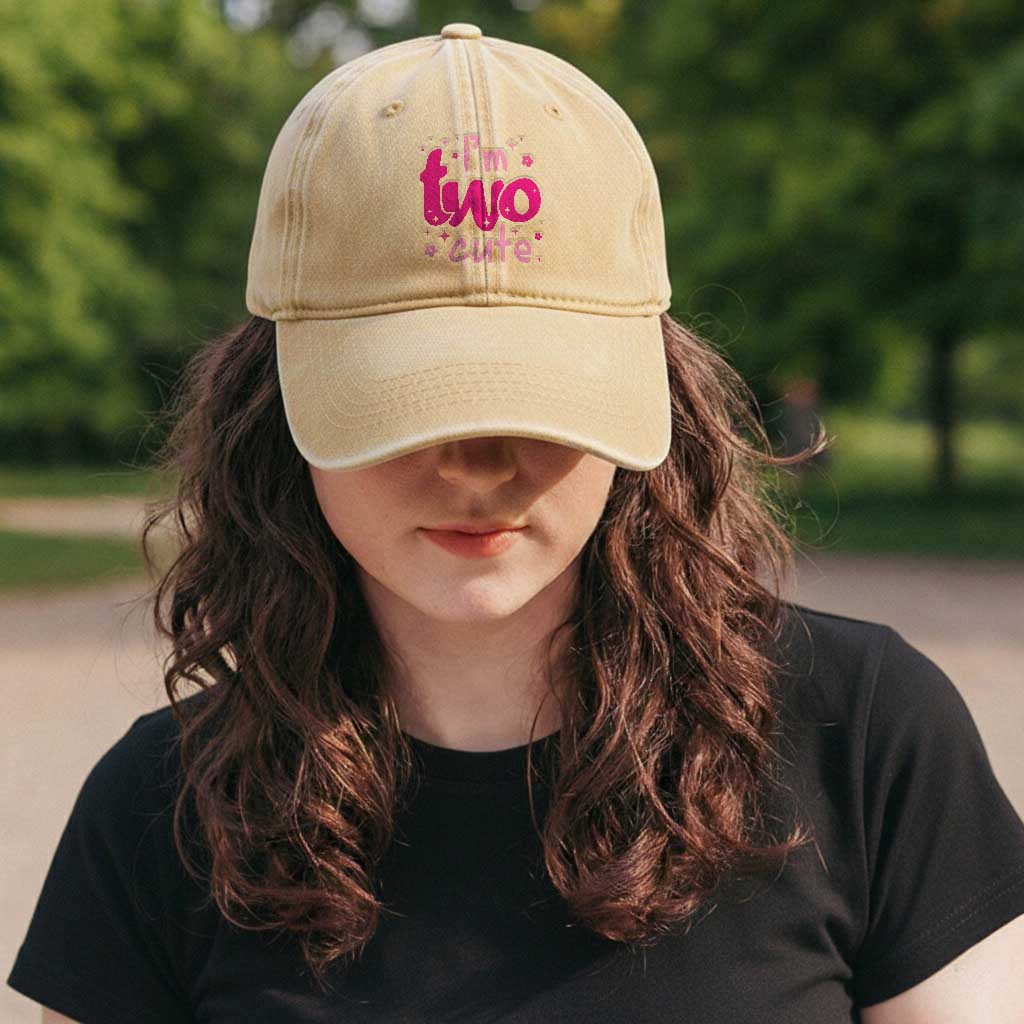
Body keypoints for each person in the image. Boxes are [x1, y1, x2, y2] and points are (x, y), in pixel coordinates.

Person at [8, 22, 1024, 1024]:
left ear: (656, 391)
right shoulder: (159, 813)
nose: (478, 465)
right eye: (410, 402)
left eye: (538, 398)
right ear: (275, 404)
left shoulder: (866, 739)